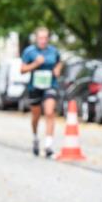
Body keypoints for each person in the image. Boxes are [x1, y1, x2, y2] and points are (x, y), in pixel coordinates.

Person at [21, 27, 63, 158]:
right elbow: (22, 70)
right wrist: (35, 64)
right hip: (35, 87)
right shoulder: (29, 51)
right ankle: (35, 137)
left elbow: (59, 62)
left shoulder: (53, 51)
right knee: (36, 116)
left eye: (45, 38)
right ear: (36, 39)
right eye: (40, 38)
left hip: (50, 85)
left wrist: (57, 69)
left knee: (50, 112)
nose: (43, 41)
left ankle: (48, 146)